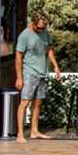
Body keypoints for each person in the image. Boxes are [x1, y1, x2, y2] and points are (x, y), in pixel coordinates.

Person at [14, 10, 61, 144]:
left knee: (38, 102)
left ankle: (34, 131)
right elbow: (18, 57)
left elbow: (48, 50)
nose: (41, 29)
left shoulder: (45, 33)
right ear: (33, 23)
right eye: (39, 27)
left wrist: (56, 66)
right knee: (25, 102)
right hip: (29, 73)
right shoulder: (24, 35)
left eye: (44, 27)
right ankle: (20, 134)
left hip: (42, 72)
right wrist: (19, 77)